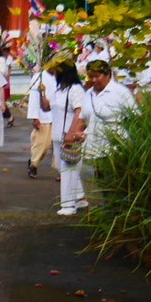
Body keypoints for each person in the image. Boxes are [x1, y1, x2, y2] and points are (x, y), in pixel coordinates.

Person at [49, 59, 88, 216]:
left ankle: (68, 205)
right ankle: (79, 197)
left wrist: (72, 133)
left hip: (70, 135)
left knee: (68, 169)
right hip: (58, 134)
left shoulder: (76, 89)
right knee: (63, 167)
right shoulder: (60, 90)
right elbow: (48, 106)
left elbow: (80, 112)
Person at [84, 58, 137, 161]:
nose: (93, 80)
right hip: (94, 149)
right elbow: (81, 117)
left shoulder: (121, 92)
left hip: (116, 149)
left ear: (108, 75)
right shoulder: (88, 94)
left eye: (97, 76)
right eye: (90, 77)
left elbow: (135, 117)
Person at [26, 63, 57, 179]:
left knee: (59, 144)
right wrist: (35, 117)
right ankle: (34, 163)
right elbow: (34, 99)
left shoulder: (61, 76)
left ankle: (59, 169)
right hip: (44, 115)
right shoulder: (39, 77)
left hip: (59, 115)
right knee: (43, 144)